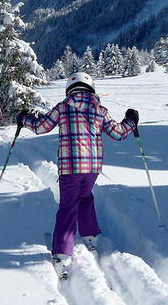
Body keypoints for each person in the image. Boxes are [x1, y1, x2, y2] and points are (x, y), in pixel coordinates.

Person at [17, 72, 138, 280]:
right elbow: (118, 133)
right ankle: (90, 237)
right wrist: (131, 121)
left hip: (70, 166)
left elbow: (39, 127)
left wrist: (23, 118)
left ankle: (63, 254)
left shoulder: (63, 107)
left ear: (69, 89)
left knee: (68, 206)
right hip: (92, 167)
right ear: (91, 88)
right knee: (85, 197)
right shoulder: (100, 109)